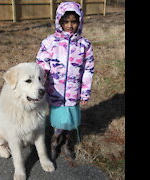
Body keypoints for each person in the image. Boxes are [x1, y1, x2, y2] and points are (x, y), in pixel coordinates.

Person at [36, 1, 94, 160]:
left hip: (74, 91)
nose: (70, 25)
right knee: (58, 119)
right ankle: (54, 142)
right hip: (55, 90)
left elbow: (88, 70)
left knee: (71, 119)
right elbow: (41, 65)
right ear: (59, 21)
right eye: (66, 21)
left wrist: (85, 92)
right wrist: (41, 83)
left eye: (74, 21)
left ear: (80, 21)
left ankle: (67, 143)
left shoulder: (84, 45)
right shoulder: (49, 42)